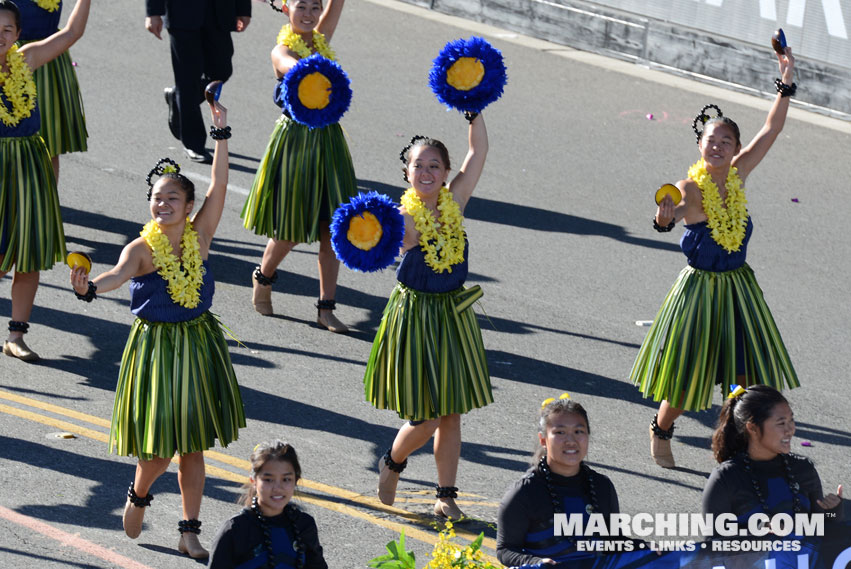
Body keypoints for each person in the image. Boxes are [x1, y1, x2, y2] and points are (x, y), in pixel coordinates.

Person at [70, 101, 245, 559]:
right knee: (160, 450)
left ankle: (189, 531)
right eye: (157, 197)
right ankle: (139, 493)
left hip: (199, 342)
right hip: (157, 350)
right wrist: (90, 289)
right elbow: (114, 276)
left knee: (193, 447)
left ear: (190, 207)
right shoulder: (141, 248)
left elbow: (221, 186)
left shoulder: (201, 236)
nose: (162, 203)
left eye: (173, 198)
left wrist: (220, 134)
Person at [631, 45, 801, 468]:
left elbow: (772, 130)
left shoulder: (739, 175)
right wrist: (662, 219)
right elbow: (668, 217)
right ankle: (661, 429)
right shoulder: (689, 189)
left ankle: (738, 450)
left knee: (744, 378)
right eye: (712, 140)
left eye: (727, 141)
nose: (718, 147)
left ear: (736, 148)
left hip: (739, 289)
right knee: (688, 379)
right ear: (701, 146)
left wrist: (786, 81)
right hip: (700, 292)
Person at [366, 113, 492, 519]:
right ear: (406, 172)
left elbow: (479, 151)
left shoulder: (454, 202)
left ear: (446, 173)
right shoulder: (404, 218)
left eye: (434, 165)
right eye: (418, 165)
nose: (425, 171)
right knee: (429, 416)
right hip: (417, 317)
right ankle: (393, 460)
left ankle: (446, 495)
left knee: (452, 411)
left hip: (453, 316)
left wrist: (474, 110)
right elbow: (376, 243)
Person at [242, 0, 356, 333]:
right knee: (290, 229)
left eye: (314, 7)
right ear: (286, 9)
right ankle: (264, 276)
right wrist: (321, 74)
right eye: (301, 6)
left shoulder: (319, 38)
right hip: (296, 143)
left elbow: (338, 5)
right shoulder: (281, 51)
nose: (309, 13)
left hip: (329, 142)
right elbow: (296, 69)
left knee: (333, 228)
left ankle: (326, 307)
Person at [1, 0, 90, 362]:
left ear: (19, 35)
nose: (1, 37)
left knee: (29, 256)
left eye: (8, 30)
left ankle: (16, 336)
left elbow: (71, 33)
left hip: (30, 168)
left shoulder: (27, 60)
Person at [497, 395, 619, 566]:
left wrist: (648, 548)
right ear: (543, 440)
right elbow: (506, 550)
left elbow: (614, 541)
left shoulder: (601, 486)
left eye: (578, 431)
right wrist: (537, 563)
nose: (571, 441)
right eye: (560, 432)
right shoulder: (524, 492)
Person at [703, 385, 843, 531]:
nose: (790, 430)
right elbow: (712, 544)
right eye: (781, 423)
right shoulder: (726, 478)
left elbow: (821, 534)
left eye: (791, 421)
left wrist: (832, 511)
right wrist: (756, 533)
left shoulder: (803, 469)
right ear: (752, 428)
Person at [145, 0, 251, 163]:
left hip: (218, 12)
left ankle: (178, 99)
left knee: (221, 71)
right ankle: (193, 144)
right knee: (187, 80)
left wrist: (243, 8)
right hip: (182, 13)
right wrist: (153, 12)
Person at [208, 441, 328, 569]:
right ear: (253, 481)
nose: (278, 488)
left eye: (286, 479)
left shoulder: (304, 525)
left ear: (296, 481)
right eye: (268, 479)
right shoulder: (236, 529)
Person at [15, 0, 88, 181]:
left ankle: (47, 202)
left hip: (49, 57)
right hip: (16, 61)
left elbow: (73, 32)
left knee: (48, 145)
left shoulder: (28, 56)